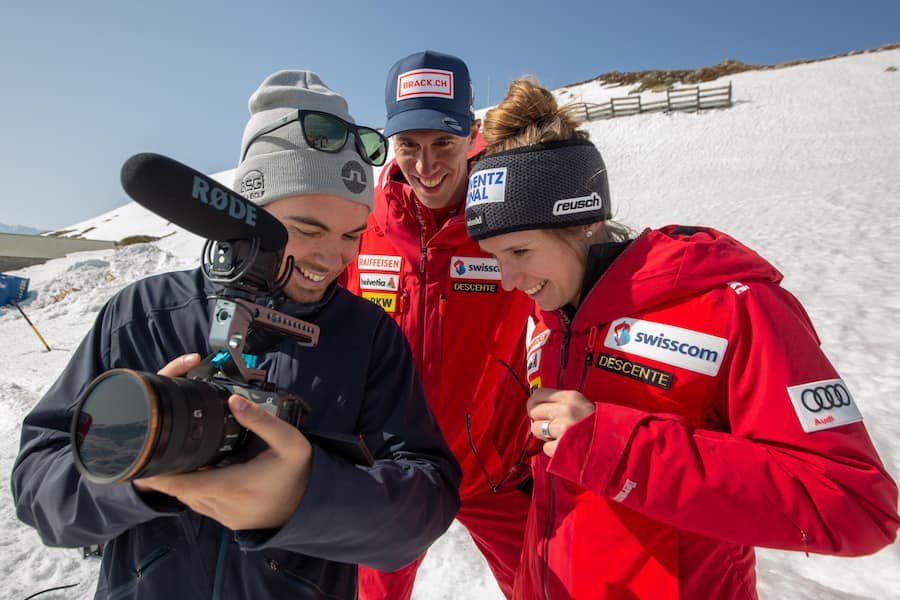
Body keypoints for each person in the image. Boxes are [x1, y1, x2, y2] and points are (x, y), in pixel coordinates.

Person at [11, 70, 461, 600]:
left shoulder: (369, 337)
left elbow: (425, 503)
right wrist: (135, 473)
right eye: (308, 229)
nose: (332, 257)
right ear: (248, 212)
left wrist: (300, 495)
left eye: (351, 235)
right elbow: (38, 487)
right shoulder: (143, 315)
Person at [465, 78, 900, 599]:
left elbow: (854, 504)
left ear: (583, 221)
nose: (509, 281)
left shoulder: (730, 305)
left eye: (519, 252)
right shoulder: (551, 313)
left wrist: (618, 450)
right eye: (494, 257)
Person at [341, 51, 533, 600]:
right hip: (392, 472)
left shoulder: (512, 210)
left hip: (494, 468)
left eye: (443, 144)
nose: (425, 165)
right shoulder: (363, 220)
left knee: (548, 587)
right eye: (408, 146)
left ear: (470, 134)